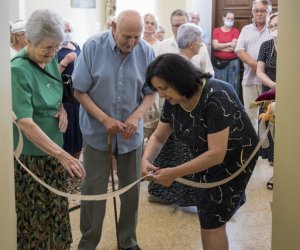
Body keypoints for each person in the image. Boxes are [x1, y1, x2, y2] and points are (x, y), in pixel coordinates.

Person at [142, 53, 258, 250]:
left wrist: (175, 172)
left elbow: (217, 154)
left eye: (163, 88)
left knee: (213, 221)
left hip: (234, 160)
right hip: (205, 156)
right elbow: (158, 137)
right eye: (157, 90)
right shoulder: (175, 101)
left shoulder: (217, 94)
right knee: (207, 216)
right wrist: (145, 159)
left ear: (179, 79)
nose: (161, 95)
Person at [72, 9, 156, 250]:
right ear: (113, 28)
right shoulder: (92, 47)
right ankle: (88, 243)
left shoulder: (146, 51)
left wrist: (136, 116)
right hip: (97, 133)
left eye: (136, 37)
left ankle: (128, 241)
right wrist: (103, 119)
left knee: (131, 191)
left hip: (131, 134)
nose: (131, 43)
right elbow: (79, 91)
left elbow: (151, 93)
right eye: (126, 37)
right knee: (94, 191)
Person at [11, 9, 85, 249]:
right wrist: (63, 155)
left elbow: (55, 93)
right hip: (32, 158)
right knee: (36, 218)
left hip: (54, 153)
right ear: (28, 40)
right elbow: (25, 122)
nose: (52, 53)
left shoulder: (50, 59)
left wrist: (62, 109)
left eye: (56, 48)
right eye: (47, 48)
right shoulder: (17, 69)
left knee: (56, 211)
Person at [235, 0, 272, 134]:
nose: (259, 13)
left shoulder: (274, 29)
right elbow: (239, 50)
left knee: (269, 116)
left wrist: (262, 70)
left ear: (269, 12)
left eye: (263, 10)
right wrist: (257, 66)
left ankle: (268, 150)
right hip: (249, 80)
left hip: (269, 82)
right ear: (252, 12)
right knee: (251, 116)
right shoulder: (246, 29)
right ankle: (254, 148)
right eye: (256, 10)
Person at [157, 9, 214, 76]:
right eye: (176, 26)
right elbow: (158, 72)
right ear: (171, 26)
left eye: (183, 25)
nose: (179, 29)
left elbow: (209, 72)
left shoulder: (200, 46)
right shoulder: (162, 46)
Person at [257, 12, 278, 189]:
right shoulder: (266, 46)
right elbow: (259, 71)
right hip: (269, 94)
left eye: (278, 25)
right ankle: (276, 175)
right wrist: (274, 85)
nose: (274, 29)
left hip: (292, 94)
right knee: (271, 134)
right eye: (271, 26)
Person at [57, 18, 82, 159]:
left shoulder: (75, 44)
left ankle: (76, 161)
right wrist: (65, 61)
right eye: (65, 29)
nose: (68, 32)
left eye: (69, 29)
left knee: (78, 131)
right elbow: (50, 74)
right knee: (67, 131)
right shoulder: (54, 48)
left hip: (77, 90)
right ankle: (66, 162)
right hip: (63, 90)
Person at [212, 12, 240, 95]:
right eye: (228, 18)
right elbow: (215, 46)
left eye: (232, 19)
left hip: (233, 63)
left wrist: (221, 47)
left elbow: (234, 48)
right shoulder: (216, 30)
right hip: (218, 63)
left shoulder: (236, 31)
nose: (230, 20)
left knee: (233, 85)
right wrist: (229, 44)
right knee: (219, 85)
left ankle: (233, 105)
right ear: (223, 18)